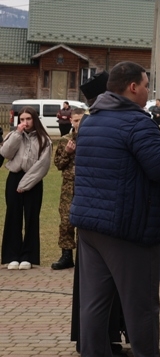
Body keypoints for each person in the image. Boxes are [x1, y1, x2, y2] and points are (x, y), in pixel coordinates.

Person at [70, 61, 160, 357]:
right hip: (129, 228)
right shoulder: (137, 123)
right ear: (133, 87)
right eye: (145, 85)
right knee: (141, 306)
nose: (147, 90)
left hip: (91, 225)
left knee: (94, 303)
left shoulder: (91, 121)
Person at [1, 106, 52, 270]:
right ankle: (12, 255)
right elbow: (5, 153)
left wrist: (25, 184)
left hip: (33, 181)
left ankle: (28, 256)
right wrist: (17, 134)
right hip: (14, 178)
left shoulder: (44, 140)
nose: (25, 122)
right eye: (22, 119)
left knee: (31, 217)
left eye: (28, 119)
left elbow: (43, 166)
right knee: (13, 216)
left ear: (34, 119)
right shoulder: (14, 135)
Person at [51, 107, 87, 270]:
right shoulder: (65, 140)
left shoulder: (91, 139)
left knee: (84, 223)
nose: (78, 123)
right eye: (76, 120)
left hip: (85, 186)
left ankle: (83, 257)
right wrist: (67, 152)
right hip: (68, 187)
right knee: (66, 221)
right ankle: (66, 255)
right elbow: (58, 164)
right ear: (71, 120)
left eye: (81, 120)